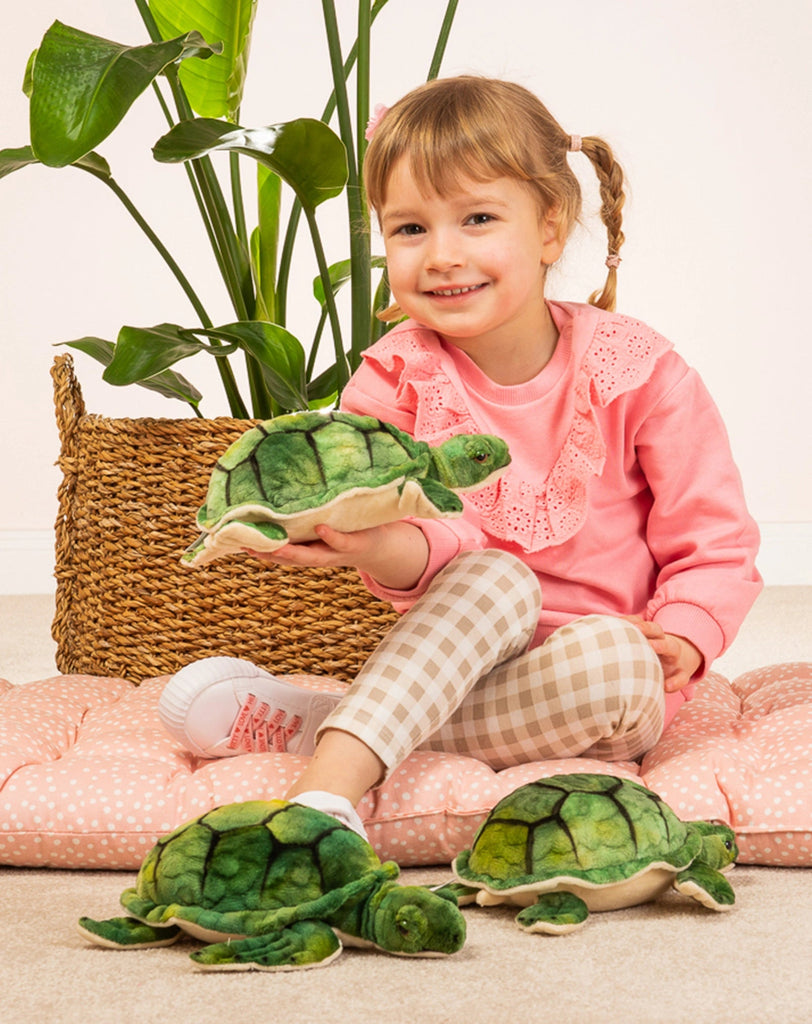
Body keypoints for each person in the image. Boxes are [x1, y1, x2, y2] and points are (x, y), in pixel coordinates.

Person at [159, 76, 762, 837]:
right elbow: (435, 544)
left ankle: (326, 726)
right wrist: (370, 542)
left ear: (550, 228)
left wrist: (686, 630)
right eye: (410, 229)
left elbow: (715, 537)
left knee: (613, 656)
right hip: (456, 652)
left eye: (478, 219)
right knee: (493, 573)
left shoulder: (638, 370)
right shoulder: (393, 376)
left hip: (601, 681)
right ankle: (325, 797)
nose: (442, 255)